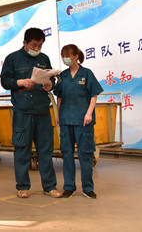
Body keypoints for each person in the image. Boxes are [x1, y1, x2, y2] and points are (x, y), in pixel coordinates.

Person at [0, 27, 62, 199]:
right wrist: (20, 82)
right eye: (34, 45)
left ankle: (49, 186)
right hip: (23, 111)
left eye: (40, 45)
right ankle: (22, 187)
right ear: (25, 43)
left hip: (42, 110)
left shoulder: (44, 59)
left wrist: (50, 85)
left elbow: (50, 78)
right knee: (22, 150)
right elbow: (5, 81)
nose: (37, 49)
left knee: (46, 151)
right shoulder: (12, 58)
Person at [54, 44, 103, 199]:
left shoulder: (86, 73)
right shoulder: (62, 76)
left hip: (83, 121)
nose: (65, 59)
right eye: (63, 56)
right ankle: (69, 187)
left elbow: (94, 95)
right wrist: (58, 114)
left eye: (67, 56)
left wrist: (89, 113)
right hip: (66, 120)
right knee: (67, 154)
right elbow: (59, 96)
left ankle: (88, 188)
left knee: (85, 155)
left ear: (76, 56)